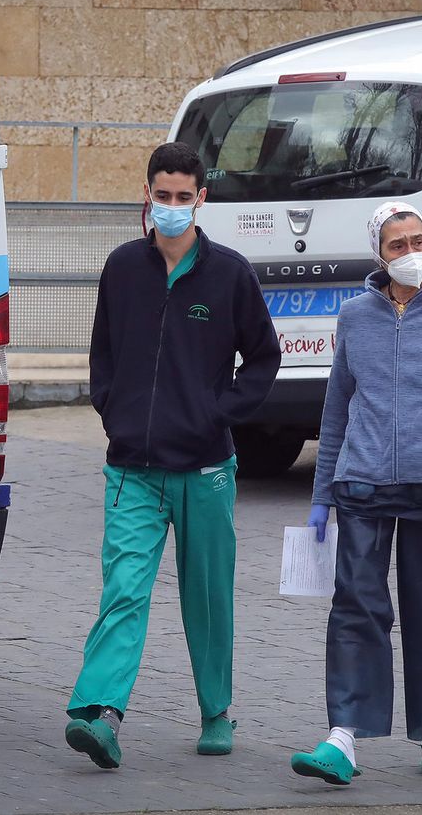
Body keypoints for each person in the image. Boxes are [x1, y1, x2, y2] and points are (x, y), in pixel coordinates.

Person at [64, 141, 281, 769]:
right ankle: (100, 712)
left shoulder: (229, 273)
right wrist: (112, 407)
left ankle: (216, 711)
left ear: (201, 198)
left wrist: (216, 414)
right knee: (124, 589)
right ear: (147, 194)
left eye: (184, 197)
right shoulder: (122, 268)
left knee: (208, 596)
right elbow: (103, 351)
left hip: (205, 469)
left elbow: (263, 357)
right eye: (163, 195)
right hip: (132, 467)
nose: (172, 206)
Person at [289, 201, 422, 785]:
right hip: (363, 481)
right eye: (397, 245)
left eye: (418, 241)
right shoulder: (355, 316)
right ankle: (343, 737)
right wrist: (322, 493)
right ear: (379, 255)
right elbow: (336, 406)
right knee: (355, 606)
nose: (411, 253)